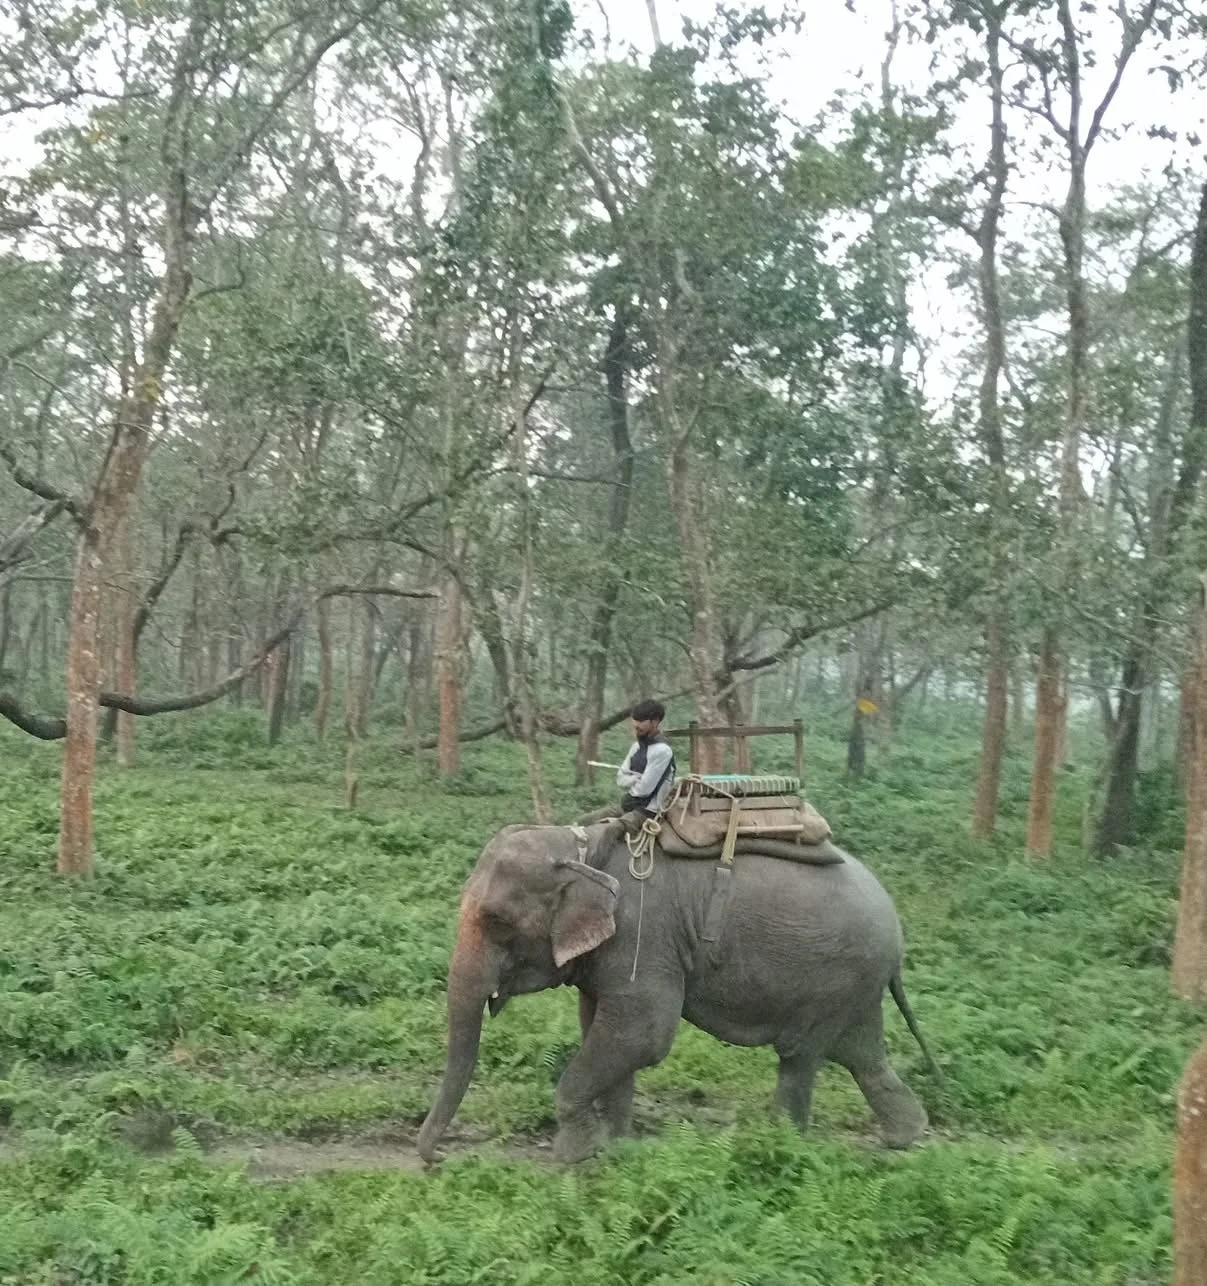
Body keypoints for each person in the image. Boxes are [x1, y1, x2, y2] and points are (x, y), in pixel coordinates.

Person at [615, 699, 676, 818]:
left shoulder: (662, 751)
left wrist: (630, 780)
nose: (636, 725)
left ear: (655, 721)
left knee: (611, 830)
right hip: (629, 804)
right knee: (586, 821)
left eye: (642, 721)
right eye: (636, 720)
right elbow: (620, 779)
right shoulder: (636, 746)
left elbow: (644, 790)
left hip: (649, 810)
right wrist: (636, 779)